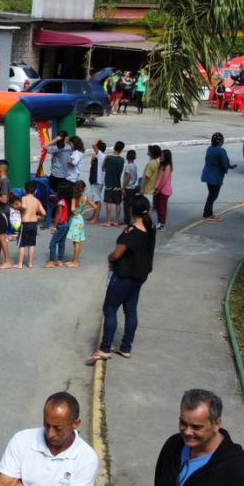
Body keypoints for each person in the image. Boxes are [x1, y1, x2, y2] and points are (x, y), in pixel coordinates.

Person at [91, 194, 155, 362]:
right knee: (131, 310)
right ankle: (126, 347)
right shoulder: (150, 228)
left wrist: (110, 258)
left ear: (132, 210)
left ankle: (105, 348)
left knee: (110, 309)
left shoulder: (131, 232)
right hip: (140, 275)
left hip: (124, 275)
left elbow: (117, 253)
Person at [200, 133, 238, 221]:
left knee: (211, 195)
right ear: (221, 141)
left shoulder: (209, 148)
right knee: (213, 196)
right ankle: (207, 214)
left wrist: (229, 166)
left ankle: (209, 213)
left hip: (207, 175)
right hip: (215, 177)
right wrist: (229, 167)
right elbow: (224, 163)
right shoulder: (221, 151)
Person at [15, 181, 46, 269]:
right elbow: (44, 213)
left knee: (22, 244)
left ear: (25, 190)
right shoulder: (37, 201)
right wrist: (37, 216)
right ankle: (30, 263)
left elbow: (24, 207)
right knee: (31, 244)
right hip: (33, 224)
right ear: (35, 191)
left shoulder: (24, 198)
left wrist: (18, 207)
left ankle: (20, 264)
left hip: (25, 224)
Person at [67, 181, 95, 267]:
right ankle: (76, 260)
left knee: (76, 242)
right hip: (80, 219)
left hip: (75, 220)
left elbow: (72, 210)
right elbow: (95, 206)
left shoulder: (74, 198)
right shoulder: (85, 198)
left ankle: (75, 262)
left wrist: (74, 209)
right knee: (79, 240)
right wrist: (85, 210)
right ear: (83, 189)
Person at [0, 160, 14, 268]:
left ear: (1, 169)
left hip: (2, 212)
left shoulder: (5, 182)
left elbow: (4, 200)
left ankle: (8, 261)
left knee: (1, 237)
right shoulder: (0, 180)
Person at [45, 182, 72, 269]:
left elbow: (58, 215)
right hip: (66, 224)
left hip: (61, 225)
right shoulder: (68, 201)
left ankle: (52, 261)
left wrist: (54, 227)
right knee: (61, 243)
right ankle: (60, 260)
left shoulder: (61, 202)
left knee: (52, 243)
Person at [102, 141, 125, 226]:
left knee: (109, 202)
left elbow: (103, 168)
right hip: (117, 183)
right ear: (121, 149)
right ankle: (117, 221)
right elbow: (120, 171)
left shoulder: (108, 158)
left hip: (109, 183)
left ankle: (108, 221)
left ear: (114, 147)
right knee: (118, 203)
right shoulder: (122, 160)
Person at [154, 149, 174, 230]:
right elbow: (158, 177)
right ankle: (159, 222)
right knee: (158, 206)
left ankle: (162, 223)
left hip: (164, 190)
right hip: (159, 189)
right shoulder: (161, 165)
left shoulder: (168, 166)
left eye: (162, 156)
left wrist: (159, 189)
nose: (160, 157)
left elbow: (164, 180)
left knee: (162, 207)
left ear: (166, 157)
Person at [87, 140, 106, 222]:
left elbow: (93, 144)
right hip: (96, 180)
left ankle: (96, 218)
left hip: (97, 181)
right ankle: (94, 216)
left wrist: (98, 141)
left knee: (97, 200)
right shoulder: (99, 156)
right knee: (95, 199)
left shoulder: (101, 155)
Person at [122, 149, 140, 224]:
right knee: (131, 204)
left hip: (128, 188)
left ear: (127, 157)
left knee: (126, 206)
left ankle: (127, 221)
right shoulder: (135, 165)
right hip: (133, 187)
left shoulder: (128, 166)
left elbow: (127, 177)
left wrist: (123, 187)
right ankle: (133, 219)